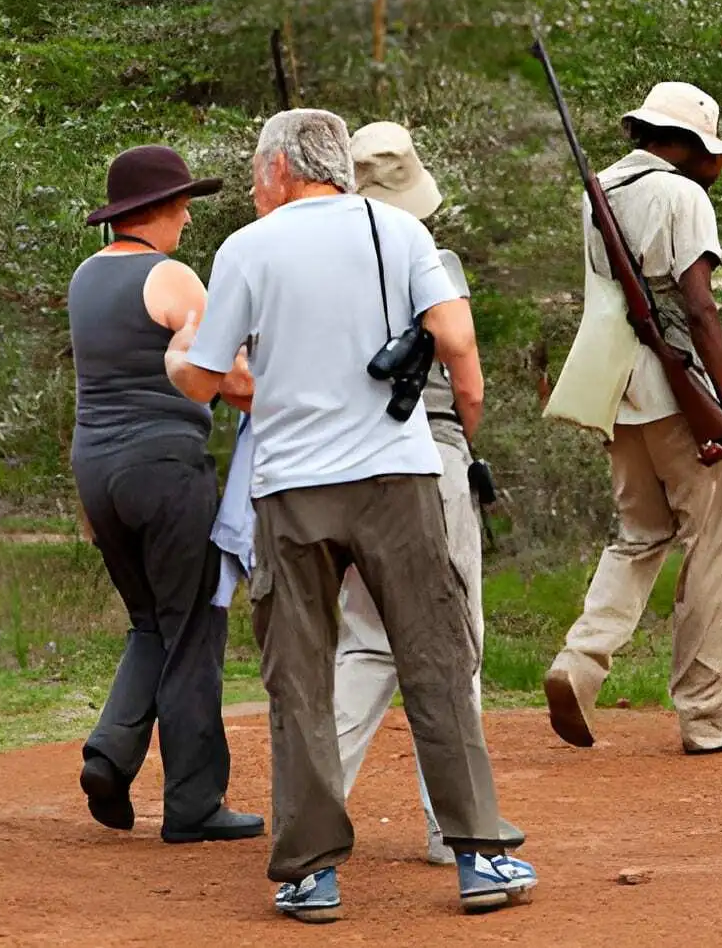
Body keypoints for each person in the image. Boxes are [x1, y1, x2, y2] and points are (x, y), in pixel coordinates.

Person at [165, 109, 537, 923]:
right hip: (397, 479)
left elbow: (202, 381)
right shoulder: (398, 234)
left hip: (291, 488)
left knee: (298, 679)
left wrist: (184, 351)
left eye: (258, 171)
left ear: (280, 169)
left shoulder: (245, 250)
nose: (256, 184)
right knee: (436, 659)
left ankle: (312, 872)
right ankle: (479, 856)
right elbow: (453, 332)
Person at [539, 82, 722, 755]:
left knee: (639, 534)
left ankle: (580, 664)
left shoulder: (600, 192)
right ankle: (707, 710)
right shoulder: (682, 196)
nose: (719, 166)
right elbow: (698, 307)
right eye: (714, 152)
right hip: (679, 394)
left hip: (616, 391)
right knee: (709, 542)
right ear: (691, 145)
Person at [69, 144, 264, 845]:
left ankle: (110, 754)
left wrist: (88, 501)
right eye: (182, 203)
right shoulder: (171, 276)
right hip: (164, 468)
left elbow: (92, 387)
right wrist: (293, 401)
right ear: (158, 209)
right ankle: (194, 802)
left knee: (152, 621)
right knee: (194, 628)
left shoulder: (86, 277)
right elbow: (226, 375)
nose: (187, 216)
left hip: (97, 467)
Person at [331, 121, 485, 867]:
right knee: (453, 644)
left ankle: (313, 812)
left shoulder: (316, 268)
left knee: (364, 642)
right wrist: (462, 435)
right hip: (428, 457)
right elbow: (467, 375)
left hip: (343, 467)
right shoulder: (434, 258)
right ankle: (454, 825)